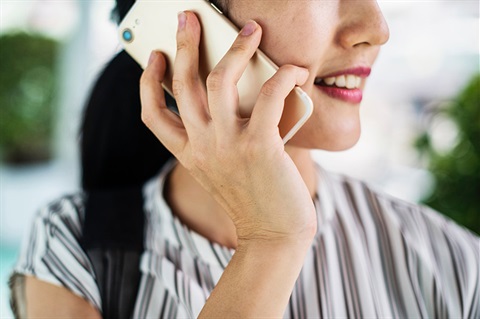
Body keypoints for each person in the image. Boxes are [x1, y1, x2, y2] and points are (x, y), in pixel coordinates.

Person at [9, 0, 480, 318]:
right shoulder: (71, 249)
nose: (375, 30)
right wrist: (271, 241)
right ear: (186, 17)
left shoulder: (455, 264)